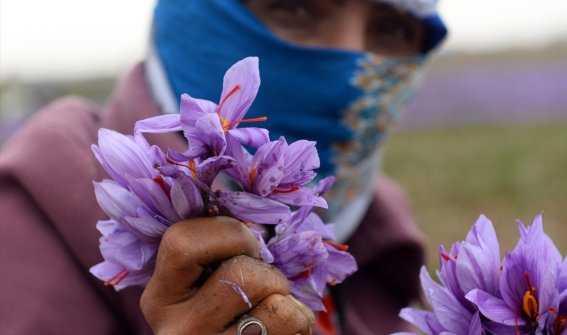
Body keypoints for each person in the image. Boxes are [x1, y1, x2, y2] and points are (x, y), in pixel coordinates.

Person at [0, 0, 447, 334]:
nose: (348, 72)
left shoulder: (386, 245)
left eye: (392, 27)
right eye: (295, 6)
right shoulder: (23, 223)